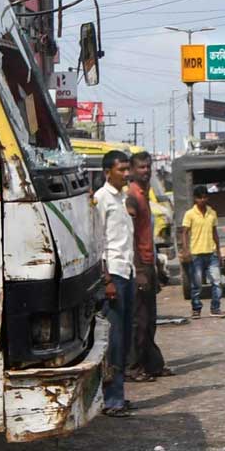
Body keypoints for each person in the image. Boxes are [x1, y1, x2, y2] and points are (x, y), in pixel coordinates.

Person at [94, 150, 136, 417]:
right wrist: (106, 279)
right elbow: (97, 242)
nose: (126, 174)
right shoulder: (101, 199)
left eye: (126, 169)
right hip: (114, 275)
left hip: (127, 271)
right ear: (108, 171)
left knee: (124, 338)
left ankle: (118, 394)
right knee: (115, 340)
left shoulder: (122, 198)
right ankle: (112, 399)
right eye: (121, 169)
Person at [125, 151, 173, 382]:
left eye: (148, 166)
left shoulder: (144, 195)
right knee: (140, 320)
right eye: (141, 167)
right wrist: (138, 269)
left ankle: (153, 364)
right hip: (140, 265)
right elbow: (130, 235)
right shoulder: (132, 196)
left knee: (150, 319)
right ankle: (133, 367)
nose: (146, 170)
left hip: (148, 262)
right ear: (132, 170)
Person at [180, 186, 225, 319]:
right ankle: (196, 309)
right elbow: (184, 233)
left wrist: (219, 251)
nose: (203, 200)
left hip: (211, 253)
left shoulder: (212, 213)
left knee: (217, 282)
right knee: (197, 285)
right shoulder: (190, 214)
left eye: (205, 197)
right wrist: (186, 249)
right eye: (200, 197)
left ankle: (215, 308)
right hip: (196, 254)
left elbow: (215, 233)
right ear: (195, 199)